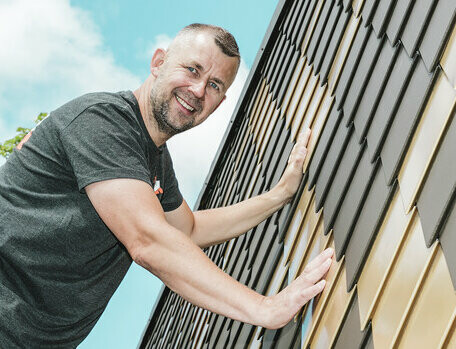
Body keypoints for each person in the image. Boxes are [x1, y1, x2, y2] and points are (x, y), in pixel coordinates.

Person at [0, 23, 334, 347]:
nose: (199, 90)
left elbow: (186, 231)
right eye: (192, 69)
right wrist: (266, 308)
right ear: (159, 63)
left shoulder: (154, 160)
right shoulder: (102, 122)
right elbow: (149, 240)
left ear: (220, 103)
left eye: (215, 85)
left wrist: (281, 195)